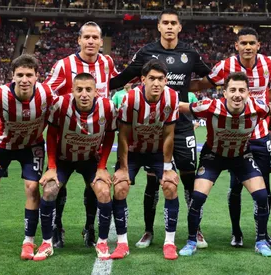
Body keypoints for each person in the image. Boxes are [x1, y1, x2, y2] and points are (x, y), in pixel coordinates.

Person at [109, 9, 211, 248]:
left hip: (183, 127)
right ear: (158, 26)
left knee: (187, 179)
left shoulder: (190, 53)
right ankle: (148, 231)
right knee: (155, 180)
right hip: (155, 128)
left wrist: (188, 87)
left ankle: (196, 230)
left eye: (173, 23)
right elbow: (123, 79)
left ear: (179, 27)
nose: (168, 26)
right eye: (164, 22)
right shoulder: (146, 53)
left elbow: (211, 78)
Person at [189, 27, 271, 246]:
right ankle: (236, 232)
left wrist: (268, 103)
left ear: (258, 45)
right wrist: (178, 85)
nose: (247, 47)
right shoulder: (225, 66)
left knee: (263, 188)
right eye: (243, 43)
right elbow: (203, 84)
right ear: (237, 46)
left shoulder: (268, 64)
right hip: (233, 135)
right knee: (235, 187)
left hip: (259, 134)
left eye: (252, 43)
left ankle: (263, 233)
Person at [177, 72, 271, 257]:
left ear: (248, 93)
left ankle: (261, 241)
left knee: (262, 196)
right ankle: (191, 241)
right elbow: (182, 107)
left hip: (241, 156)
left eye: (242, 90)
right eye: (233, 90)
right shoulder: (210, 106)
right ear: (225, 93)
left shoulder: (259, 108)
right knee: (197, 197)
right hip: (213, 156)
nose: (237, 94)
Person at [0, 54, 54, 261]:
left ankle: (28, 241)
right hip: (2, 146)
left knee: (33, 188)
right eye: (20, 75)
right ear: (12, 76)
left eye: (29, 75)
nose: (24, 79)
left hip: (32, 146)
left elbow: (55, 124)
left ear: (37, 77)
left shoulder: (47, 93)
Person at [44, 21, 120, 248]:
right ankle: (56, 228)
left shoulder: (107, 63)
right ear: (79, 40)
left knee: (95, 187)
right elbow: (47, 92)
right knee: (57, 187)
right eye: (86, 37)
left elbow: (120, 79)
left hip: (93, 144)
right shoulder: (64, 65)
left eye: (95, 38)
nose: (90, 41)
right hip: (66, 141)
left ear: (101, 42)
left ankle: (89, 227)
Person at [32, 73, 117, 261]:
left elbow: (110, 135)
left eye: (88, 89)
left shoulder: (107, 107)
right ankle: (48, 240)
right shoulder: (61, 105)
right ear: (72, 91)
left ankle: (97, 237)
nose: (84, 94)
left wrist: (102, 166)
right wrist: (52, 166)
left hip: (90, 158)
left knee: (103, 191)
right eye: (79, 89)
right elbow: (51, 135)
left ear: (96, 91)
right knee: (49, 190)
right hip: (64, 158)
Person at [111, 60, 180, 260]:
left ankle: (169, 243)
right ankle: (122, 243)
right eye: (152, 79)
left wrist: (167, 168)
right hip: (132, 151)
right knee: (120, 187)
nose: (156, 83)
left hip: (157, 151)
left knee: (170, 186)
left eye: (161, 79)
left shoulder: (172, 97)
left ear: (166, 80)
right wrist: (123, 167)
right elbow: (122, 135)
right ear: (143, 80)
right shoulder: (130, 99)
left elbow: (169, 135)